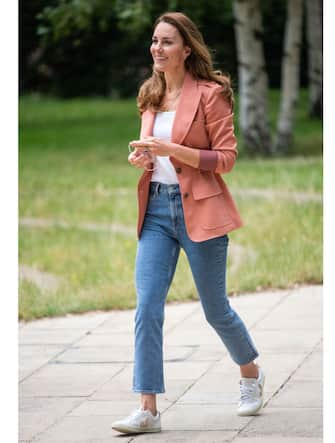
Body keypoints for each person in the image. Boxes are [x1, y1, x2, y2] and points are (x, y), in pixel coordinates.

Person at [112, 11, 265, 435]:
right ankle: (147, 409)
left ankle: (250, 374)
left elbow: (227, 159)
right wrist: (143, 158)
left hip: (202, 208)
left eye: (166, 42)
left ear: (186, 48)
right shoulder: (150, 94)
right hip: (157, 211)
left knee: (215, 309)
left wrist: (173, 150)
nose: (156, 48)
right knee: (147, 306)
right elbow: (156, 155)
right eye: (154, 41)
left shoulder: (211, 94)